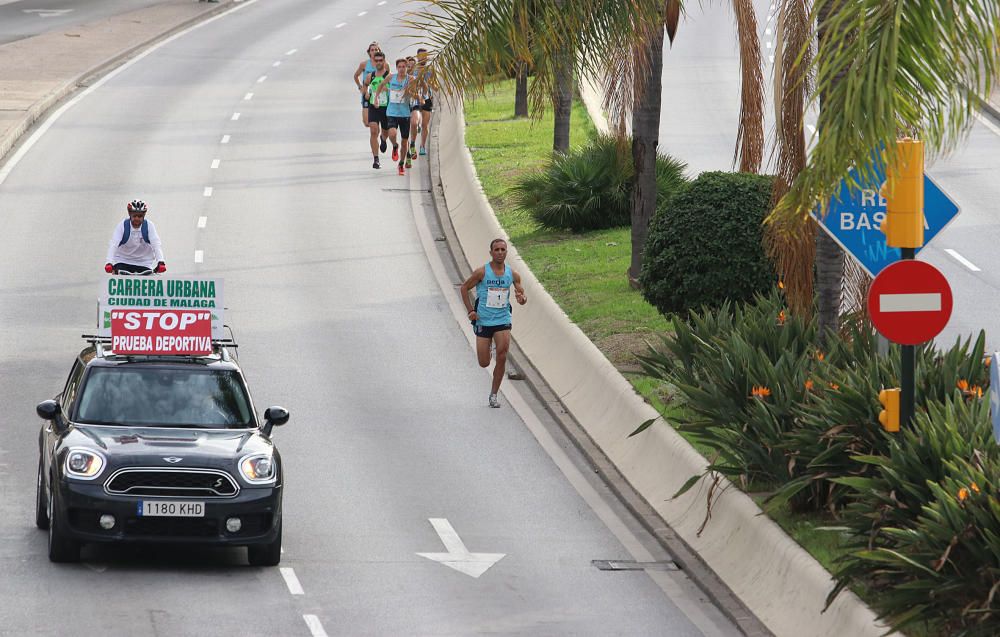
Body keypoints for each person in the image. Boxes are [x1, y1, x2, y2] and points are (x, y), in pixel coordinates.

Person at [460, 238, 527, 408]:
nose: (499, 252)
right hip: (483, 320)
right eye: (496, 250)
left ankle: (494, 395)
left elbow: (522, 295)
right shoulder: (481, 272)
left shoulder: (513, 274)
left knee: (503, 355)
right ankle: (488, 348)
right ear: (491, 252)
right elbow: (464, 288)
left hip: (503, 319)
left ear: (506, 252)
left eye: (502, 250)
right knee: (484, 363)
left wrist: (521, 298)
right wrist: (470, 311)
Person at [373, 58, 422, 175]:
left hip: (405, 114)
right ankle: (395, 145)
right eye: (399, 67)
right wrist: (376, 98)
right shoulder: (391, 77)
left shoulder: (411, 79)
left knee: (405, 142)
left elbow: (416, 95)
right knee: (392, 134)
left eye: (403, 67)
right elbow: (381, 85)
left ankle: (401, 163)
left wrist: (411, 92)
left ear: (407, 68)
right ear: (396, 68)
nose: (401, 69)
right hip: (392, 112)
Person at [105, 200, 166, 274]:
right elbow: (113, 245)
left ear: (144, 215)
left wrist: (161, 262)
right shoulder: (122, 226)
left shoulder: (149, 226)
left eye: (140, 216)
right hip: (123, 261)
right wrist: (109, 262)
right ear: (130, 214)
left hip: (144, 263)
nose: (137, 218)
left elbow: (156, 245)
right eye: (134, 216)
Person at [364, 51, 391, 169]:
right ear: (374, 62)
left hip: (386, 107)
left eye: (381, 60)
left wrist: (387, 90)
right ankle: (376, 159)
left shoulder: (389, 76)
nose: (379, 63)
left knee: (385, 132)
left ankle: (383, 139)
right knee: (373, 130)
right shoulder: (371, 76)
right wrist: (366, 94)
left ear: (384, 61)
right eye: (377, 61)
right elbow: (365, 86)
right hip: (373, 107)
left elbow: (396, 89)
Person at [353, 42, 383, 130]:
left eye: (376, 50)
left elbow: (388, 78)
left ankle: (377, 129)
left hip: (380, 93)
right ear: (369, 52)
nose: (374, 51)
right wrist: (360, 87)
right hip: (367, 93)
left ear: (379, 51)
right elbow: (355, 76)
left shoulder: (384, 64)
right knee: (366, 122)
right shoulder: (364, 64)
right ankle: (375, 127)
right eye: (372, 50)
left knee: (377, 122)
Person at [416, 48, 435, 156]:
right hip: (415, 97)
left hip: (427, 98)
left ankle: (422, 146)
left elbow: (433, 82)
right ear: (417, 57)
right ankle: (416, 125)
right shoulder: (413, 69)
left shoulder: (430, 69)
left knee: (425, 124)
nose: (423, 58)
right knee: (415, 121)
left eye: (425, 55)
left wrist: (433, 88)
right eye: (421, 56)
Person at [405, 56, 421, 167]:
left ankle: (413, 144)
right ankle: (407, 157)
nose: (410, 67)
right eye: (408, 65)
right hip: (402, 108)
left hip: (414, 104)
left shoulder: (416, 78)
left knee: (414, 123)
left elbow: (423, 87)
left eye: (412, 65)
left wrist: (422, 97)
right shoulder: (400, 78)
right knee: (404, 134)